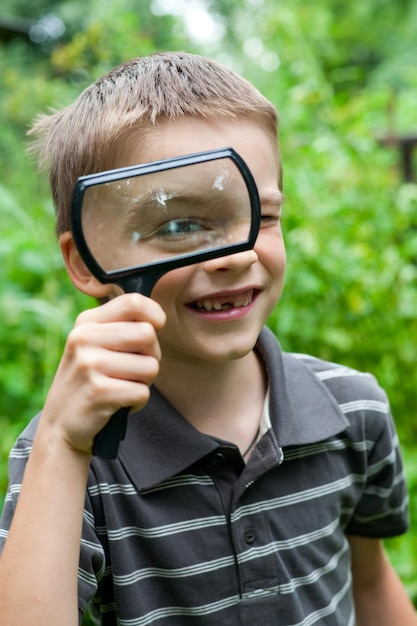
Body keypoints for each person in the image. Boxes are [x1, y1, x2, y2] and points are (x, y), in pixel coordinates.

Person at [0, 51, 415, 626]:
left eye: (261, 217)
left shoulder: (353, 409)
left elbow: (370, 585)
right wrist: (64, 447)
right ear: (89, 259)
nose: (237, 256)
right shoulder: (73, 453)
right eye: (178, 225)